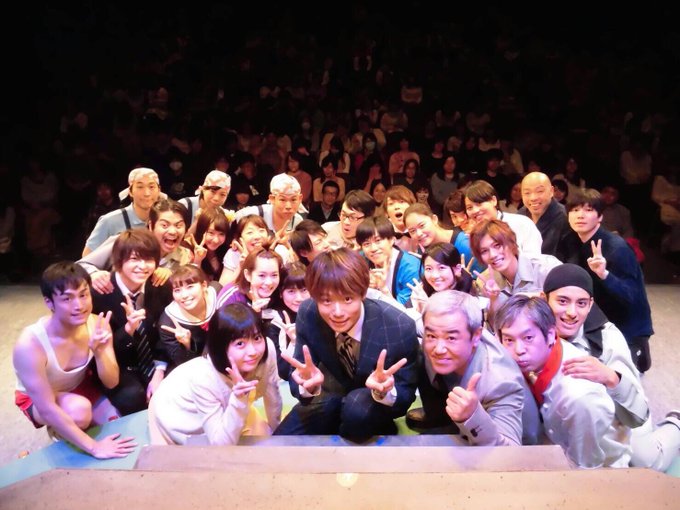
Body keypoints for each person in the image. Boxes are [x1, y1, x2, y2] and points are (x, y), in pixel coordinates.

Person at [542, 263, 680, 471]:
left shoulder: (607, 338)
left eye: (581, 303)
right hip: (567, 419)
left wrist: (611, 377)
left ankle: (674, 423)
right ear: (544, 299)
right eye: (562, 301)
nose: (571, 312)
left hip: (621, 415)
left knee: (647, 462)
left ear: (591, 304)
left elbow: (638, 413)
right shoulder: (533, 331)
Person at [274, 248, 419, 437]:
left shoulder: (398, 326)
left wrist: (384, 392)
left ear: (363, 293)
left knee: (356, 411)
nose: (337, 312)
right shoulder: (309, 313)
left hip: (370, 403)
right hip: (327, 396)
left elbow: (405, 395)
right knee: (281, 441)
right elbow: (301, 371)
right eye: (326, 301)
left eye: (347, 299)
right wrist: (308, 386)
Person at [13, 262, 136, 458]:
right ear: (49, 302)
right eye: (67, 298)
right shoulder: (30, 345)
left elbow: (111, 382)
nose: (79, 305)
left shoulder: (97, 324)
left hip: (80, 385)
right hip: (39, 399)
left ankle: (71, 427)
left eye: (83, 295)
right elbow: (46, 407)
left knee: (118, 423)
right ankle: (57, 432)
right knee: (79, 412)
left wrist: (100, 352)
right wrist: (95, 448)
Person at [495, 295, 631, 468]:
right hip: (554, 446)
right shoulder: (537, 360)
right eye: (509, 340)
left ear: (551, 334)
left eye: (528, 338)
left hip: (603, 466)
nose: (518, 350)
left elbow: (585, 466)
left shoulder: (580, 397)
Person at [148, 303, 281, 445]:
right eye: (240, 343)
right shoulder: (204, 378)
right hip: (180, 413)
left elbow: (272, 394)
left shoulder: (267, 349)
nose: (253, 352)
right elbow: (220, 444)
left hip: (226, 407)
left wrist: (280, 434)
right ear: (220, 347)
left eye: (257, 338)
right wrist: (239, 400)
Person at [405, 290, 525, 446]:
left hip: (494, 443)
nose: (439, 349)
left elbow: (510, 452)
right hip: (453, 416)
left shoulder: (500, 382)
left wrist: (473, 417)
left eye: (451, 338)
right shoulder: (437, 330)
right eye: (431, 336)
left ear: (476, 336)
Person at [567, 189, 653, 372]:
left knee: (621, 379)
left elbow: (631, 296)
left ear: (600, 217)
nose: (580, 215)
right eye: (574, 210)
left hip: (627, 325)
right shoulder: (572, 241)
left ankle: (639, 347)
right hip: (599, 320)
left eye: (588, 210)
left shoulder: (617, 247)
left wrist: (604, 274)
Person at [91, 229, 172, 415]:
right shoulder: (100, 292)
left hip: (153, 360)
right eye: (134, 259)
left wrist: (159, 372)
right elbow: (100, 350)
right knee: (133, 397)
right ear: (119, 261)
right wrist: (127, 330)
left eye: (149, 259)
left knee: (173, 390)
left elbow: (165, 333)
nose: (142, 266)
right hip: (117, 364)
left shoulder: (159, 286)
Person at [78, 198, 192, 294]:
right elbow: (80, 266)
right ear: (151, 225)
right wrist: (94, 274)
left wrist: (170, 276)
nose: (172, 231)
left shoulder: (185, 256)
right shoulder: (125, 242)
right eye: (164, 225)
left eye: (178, 225)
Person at [470, 219, 561, 324]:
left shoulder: (547, 268)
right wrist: (494, 300)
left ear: (511, 243)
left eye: (497, 245)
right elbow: (493, 327)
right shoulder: (485, 282)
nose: (493, 255)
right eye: (484, 251)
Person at [83, 167, 161, 256]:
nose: (147, 193)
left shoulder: (165, 220)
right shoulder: (110, 221)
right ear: (130, 191)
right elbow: (87, 257)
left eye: (151, 187)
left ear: (159, 190)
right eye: (140, 187)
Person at [157, 265, 218, 372]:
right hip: (199, 369)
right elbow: (184, 366)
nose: (184, 295)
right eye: (177, 290)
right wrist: (187, 345)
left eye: (190, 287)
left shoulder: (216, 293)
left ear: (204, 285)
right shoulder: (168, 322)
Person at [464, 180, 542, 255]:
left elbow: (534, 259)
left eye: (479, 204)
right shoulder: (474, 234)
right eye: (469, 207)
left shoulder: (521, 223)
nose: (475, 211)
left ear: (493, 200)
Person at [355, 216, 420, 305]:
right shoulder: (360, 261)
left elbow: (404, 310)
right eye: (366, 244)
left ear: (392, 240)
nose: (373, 248)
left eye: (378, 241)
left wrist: (383, 288)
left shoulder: (411, 267)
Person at [519, 172, 580, 262]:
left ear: (551, 191)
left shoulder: (566, 217)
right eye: (527, 193)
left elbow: (573, 257)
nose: (533, 198)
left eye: (539, 191)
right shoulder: (520, 216)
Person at [266, 262, 310, 380]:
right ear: (281, 293)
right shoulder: (274, 321)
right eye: (291, 291)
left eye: (304, 290)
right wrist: (294, 343)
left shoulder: (318, 312)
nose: (299, 298)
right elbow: (284, 372)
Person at [234, 173, 304, 234]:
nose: (288, 206)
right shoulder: (252, 214)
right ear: (272, 199)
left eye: (293, 199)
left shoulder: (298, 221)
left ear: (300, 199)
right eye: (282, 200)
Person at [216, 246, 282, 312]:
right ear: (247, 275)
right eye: (262, 275)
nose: (269, 282)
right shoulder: (231, 298)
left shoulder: (280, 293)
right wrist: (254, 312)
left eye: (274, 275)